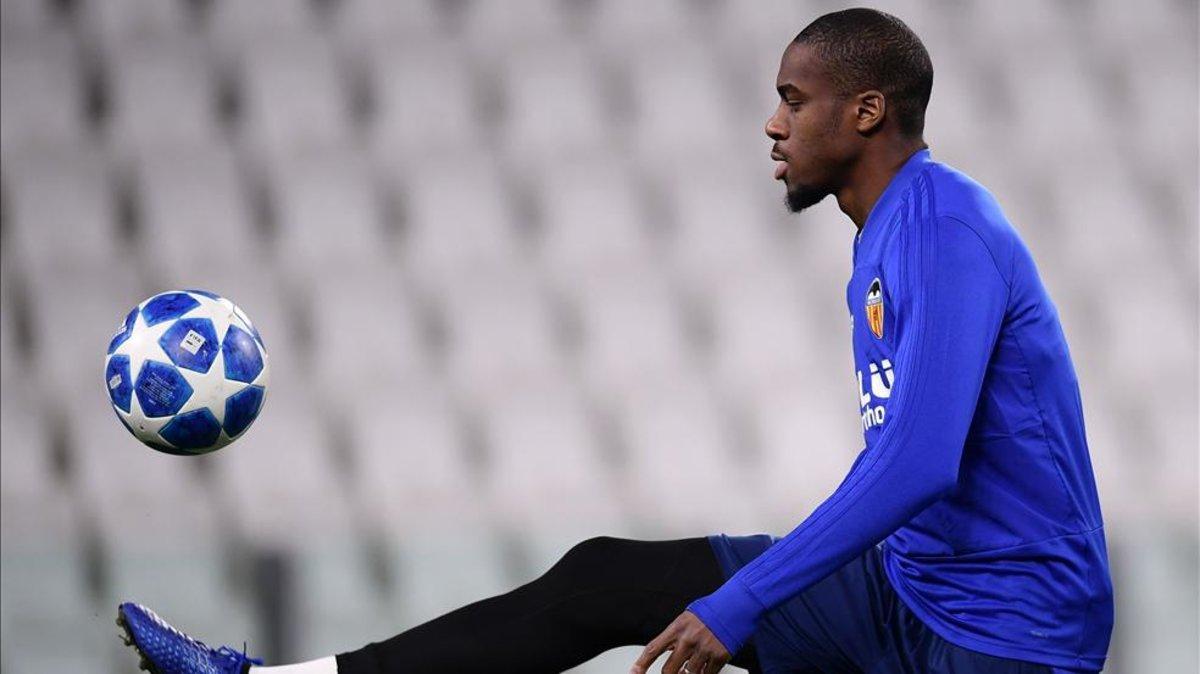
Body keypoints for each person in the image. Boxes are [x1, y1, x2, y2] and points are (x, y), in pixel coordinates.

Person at [117, 8, 1113, 674]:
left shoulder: (945, 226)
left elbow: (919, 461)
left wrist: (744, 599)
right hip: (912, 584)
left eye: (794, 101)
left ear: (865, 111)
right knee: (602, 578)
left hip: (1008, 631)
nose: (772, 125)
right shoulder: (886, 235)